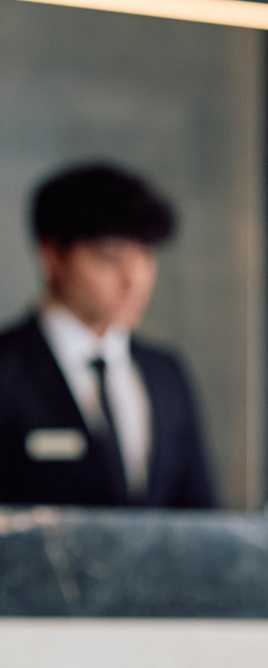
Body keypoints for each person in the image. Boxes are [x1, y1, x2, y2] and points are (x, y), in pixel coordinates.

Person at [0, 162, 215, 509]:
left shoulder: (165, 373)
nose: (135, 280)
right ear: (53, 257)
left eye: (144, 255)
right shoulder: (8, 369)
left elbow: (201, 517)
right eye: (110, 258)